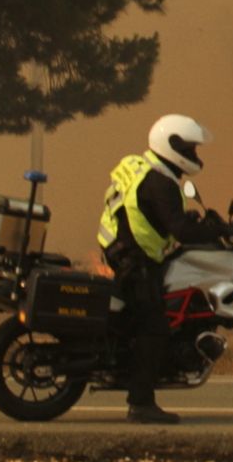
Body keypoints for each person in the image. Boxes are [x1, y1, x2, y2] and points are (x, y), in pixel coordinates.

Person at [96, 114, 225, 424]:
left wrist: (196, 221)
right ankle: (140, 404)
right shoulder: (161, 182)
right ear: (172, 147)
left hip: (120, 249)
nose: (194, 155)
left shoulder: (144, 168)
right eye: (190, 149)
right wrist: (218, 231)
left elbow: (158, 216)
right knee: (154, 327)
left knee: (145, 318)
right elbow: (179, 230)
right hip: (133, 259)